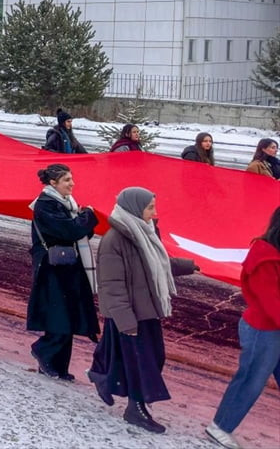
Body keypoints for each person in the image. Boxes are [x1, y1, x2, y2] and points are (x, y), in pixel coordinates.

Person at [86, 187, 197, 434]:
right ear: (135, 208)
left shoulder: (143, 234)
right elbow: (111, 286)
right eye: (150, 208)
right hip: (130, 313)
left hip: (146, 309)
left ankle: (101, 375)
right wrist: (127, 321)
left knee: (150, 358)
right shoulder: (115, 240)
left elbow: (158, 264)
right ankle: (135, 409)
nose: (154, 213)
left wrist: (190, 266)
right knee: (142, 362)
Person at [206, 206, 280, 449]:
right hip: (263, 330)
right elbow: (272, 303)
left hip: (272, 329)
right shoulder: (265, 258)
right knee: (251, 379)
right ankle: (220, 426)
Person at [26, 163, 98, 381]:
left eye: (71, 179)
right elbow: (70, 230)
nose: (72, 184)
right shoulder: (46, 204)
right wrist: (87, 217)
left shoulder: (64, 204)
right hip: (53, 267)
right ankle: (43, 351)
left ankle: (57, 365)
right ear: (53, 183)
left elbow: (78, 232)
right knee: (60, 315)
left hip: (66, 265)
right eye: (67, 180)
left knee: (66, 315)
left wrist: (84, 220)